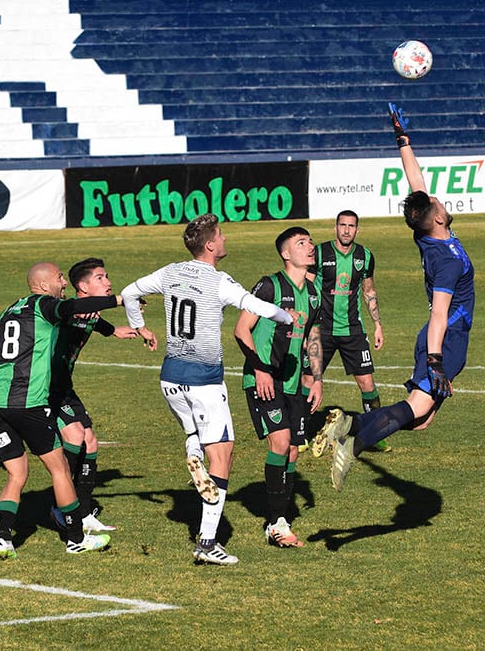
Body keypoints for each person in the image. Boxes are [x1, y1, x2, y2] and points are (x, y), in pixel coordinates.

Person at [120, 213, 296, 566]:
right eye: (222, 235)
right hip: (204, 381)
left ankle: (193, 451)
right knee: (224, 454)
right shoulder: (218, 281)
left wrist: (140, 327)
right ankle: (206, 542)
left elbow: (128, 293)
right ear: (211, 245)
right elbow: (256, 306)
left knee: (195, 432)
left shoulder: (169, 272)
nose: (226, 239)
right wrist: (288, 317)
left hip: (170, 377)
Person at [316, 104, 475, 491]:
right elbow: (440, 314)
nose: (439, 200)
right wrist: (436, 361)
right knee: (417, 409)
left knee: (420, 420)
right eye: (437, 203)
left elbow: (416, 184)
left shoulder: (429, 234)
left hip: (439, 337)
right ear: (436, 217)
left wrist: (402, 139)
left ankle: (351, 425)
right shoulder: (446, 261)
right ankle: (352, 440)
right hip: (446, 338)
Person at [0, 262, 122, 558]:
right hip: (27, 404)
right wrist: (118, 300)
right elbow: (73, 309)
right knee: (60, 470)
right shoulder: (45, 305)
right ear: (42, 285)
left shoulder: (10, 310)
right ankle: (75, 539)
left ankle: (4, 540)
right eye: (59, 278)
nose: (63, 282)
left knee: (16, 474)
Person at [234, 226, 323, 548]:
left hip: (294, 381)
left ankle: (280, 517)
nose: (309, 247)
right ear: (286, 254)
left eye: (310, 242)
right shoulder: (269, 286)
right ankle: (275, 524)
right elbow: (241, 329)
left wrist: (315, 378)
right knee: (281, 442)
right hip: (264, 379)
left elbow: (312, 335)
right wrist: (260, 370)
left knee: (294, 450)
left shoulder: (313, 292)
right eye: (301, 243)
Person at [49, 257, 148, 535]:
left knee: (90, 442)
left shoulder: (89, 313)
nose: (108, 282)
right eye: (101, 278)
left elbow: (93, 317)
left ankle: (83, 511)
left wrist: (113, 330)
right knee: (75, 437)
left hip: (64, 386)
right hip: (45, 388)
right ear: (82, 286)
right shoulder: (67, 309)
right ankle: (61, 507)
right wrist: (121, 300)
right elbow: (81, 311)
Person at [306, 210, 389, 453]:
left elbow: (369, 291)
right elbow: (308, 287)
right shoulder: (320, 253)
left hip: (353, 330)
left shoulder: (364, 256)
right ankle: (301, 434)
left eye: (351, 226)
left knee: (367, 382)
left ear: (357, 230)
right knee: (308, 380)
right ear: (335, 227)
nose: (346, 230)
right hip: (322, 329)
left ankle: (375, 434)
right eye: (342, 225)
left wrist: (378, 325)